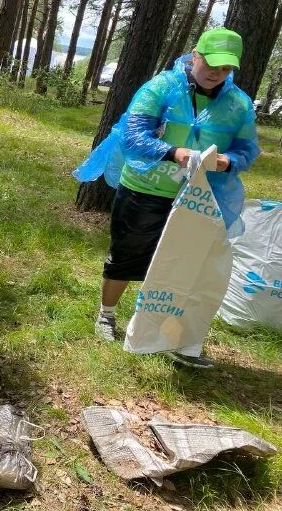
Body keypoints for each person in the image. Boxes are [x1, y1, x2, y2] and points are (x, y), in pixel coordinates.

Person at [75, 27, 260, 369]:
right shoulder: (161, 87)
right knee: (128, 254)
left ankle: (171, 336)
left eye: (226, 67)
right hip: (146, 188)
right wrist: (174, 152)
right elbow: (133, 136)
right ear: (195, 55)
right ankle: (107, 314)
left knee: (186, 266)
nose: (216, 72)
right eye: (211, 63)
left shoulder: (238, 105)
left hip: (199, 198)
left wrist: (229, 160)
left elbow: (248, 148)